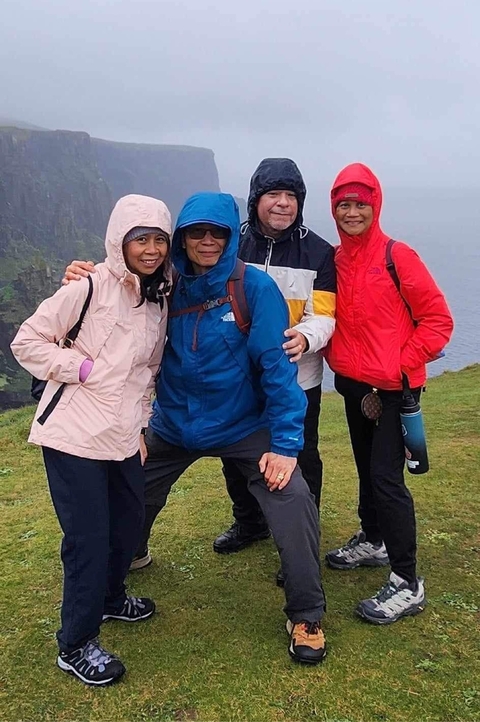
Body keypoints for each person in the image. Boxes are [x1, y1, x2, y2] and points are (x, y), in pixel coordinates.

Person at [139, 191, 326, 664]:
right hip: (174, 423)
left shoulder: (254, 288)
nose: (207, 241)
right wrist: (84, 273)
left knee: (292, 497)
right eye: (196, 232)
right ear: (181, 238)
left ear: (230, 236)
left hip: (244, 424)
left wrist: (285, 446)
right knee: (127, 491)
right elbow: (112, 290)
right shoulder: (164, 283)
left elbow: (276, 370)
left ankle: (306, 614)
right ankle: (121, 560)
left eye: (217, 232)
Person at [11, 194, 172, 686]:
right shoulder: (88, 286)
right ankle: (76, 643)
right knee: (88, 539)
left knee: (128, 523)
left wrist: (143, 424)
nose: (150, 249)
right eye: (140, 239)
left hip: (121, 435)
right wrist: (77, 368)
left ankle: (109, 600)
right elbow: (26, 340)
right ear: (118, 241)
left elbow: (147, 370)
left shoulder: (157, 297)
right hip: (73, 435)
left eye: (158, 240)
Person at [324, 163, 454, 625]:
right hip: (354, 386)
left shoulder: (398, 256)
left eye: (361, 204)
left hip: (395, 390)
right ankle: (374, 539)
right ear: (334, 208)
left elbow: (439, 321)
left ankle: (407, 581)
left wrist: (402, 362)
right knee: (366, 468)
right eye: (344, 205)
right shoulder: (337, 261)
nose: (352, 212)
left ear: (375, 205)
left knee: (387, 479)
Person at [212, 159, 336, 590]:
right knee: (235, 454)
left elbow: (326, 313)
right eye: (273, 195)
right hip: (238, 379)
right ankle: (249, 523)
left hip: (297, 378)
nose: (283, 204)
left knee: (301, 460)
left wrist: (306, 338)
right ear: (256, 200)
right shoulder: (232, 244)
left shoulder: (319, 252)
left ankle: (300, 545)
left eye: (291, 197)